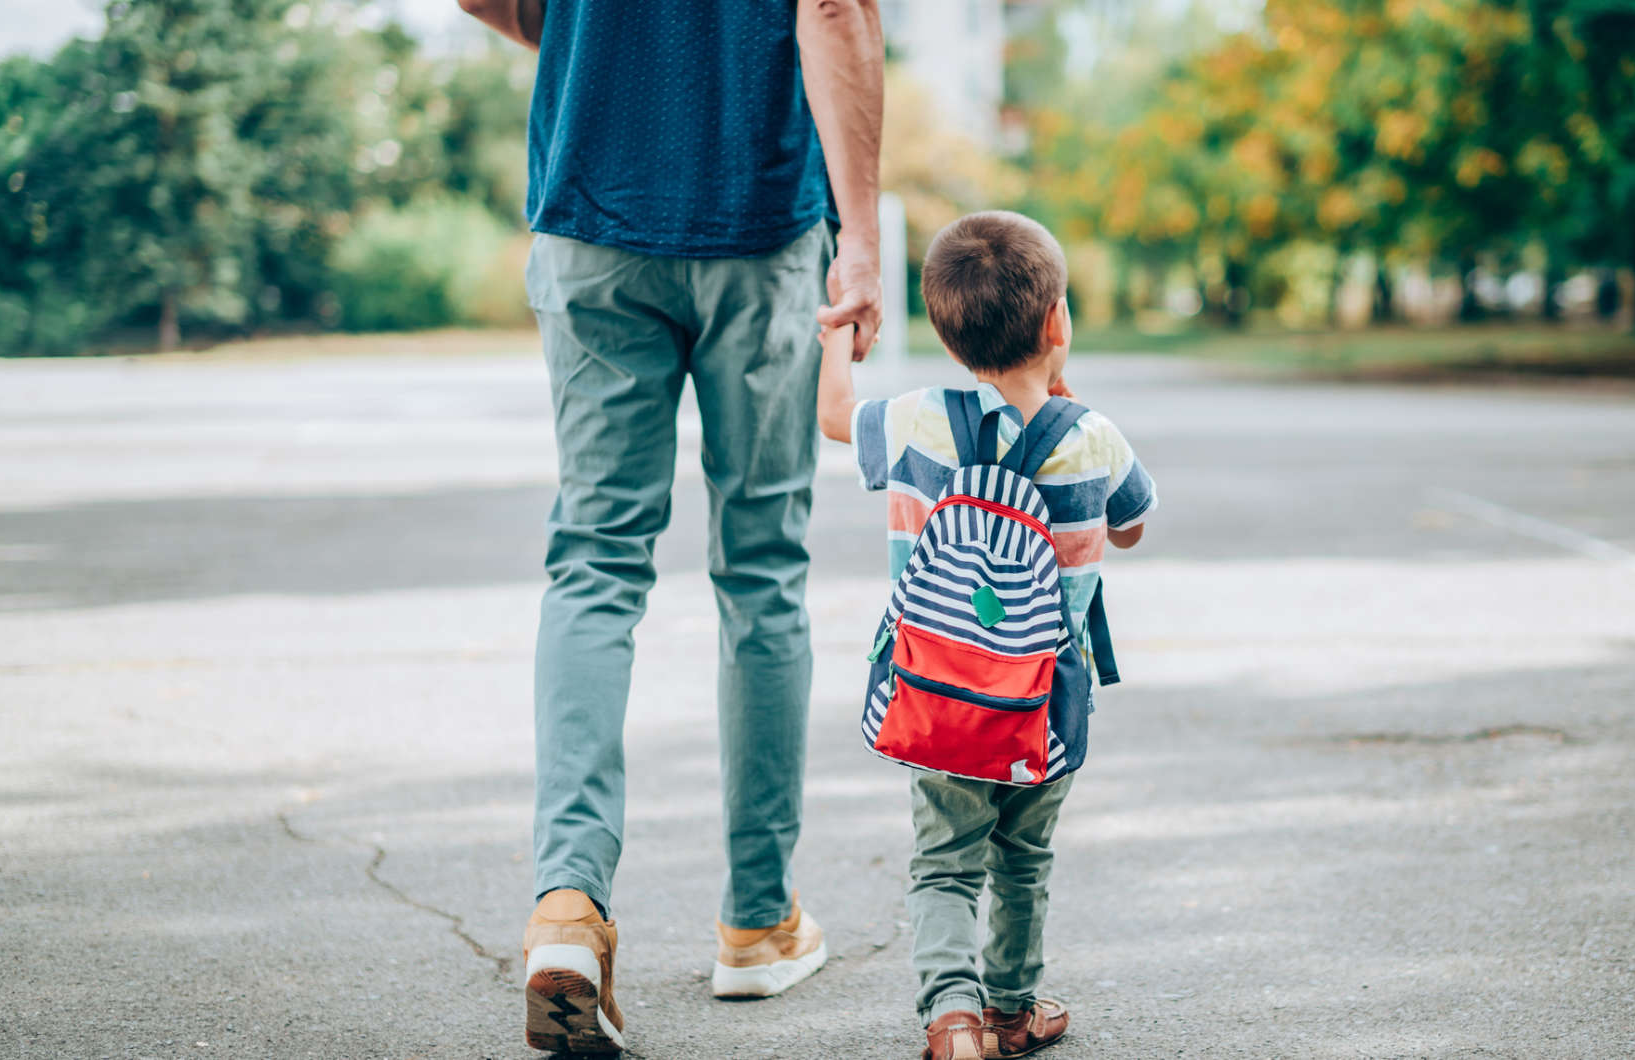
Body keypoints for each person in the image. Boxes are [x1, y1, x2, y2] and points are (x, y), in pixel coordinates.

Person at [454, 0, 885, 1052]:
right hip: (759, 218)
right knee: (763, 569)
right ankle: (755, 920)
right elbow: (830, 9)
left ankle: (567, 908)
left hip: (592, 207)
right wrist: (863, 235)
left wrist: (597, 42)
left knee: (595, 562)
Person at [815, 211, 1157, 1060]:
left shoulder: (915, 420)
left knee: (943, 862)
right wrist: (1070, 414)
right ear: (1057, 323)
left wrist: (837, 333)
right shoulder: (1094, 439)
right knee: (1023, 858)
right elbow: (1132, 529)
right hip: (1043, 706)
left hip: (934, 695)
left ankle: (952, 1018)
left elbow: (831, 420)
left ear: (945, 330)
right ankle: (1011, 1009)